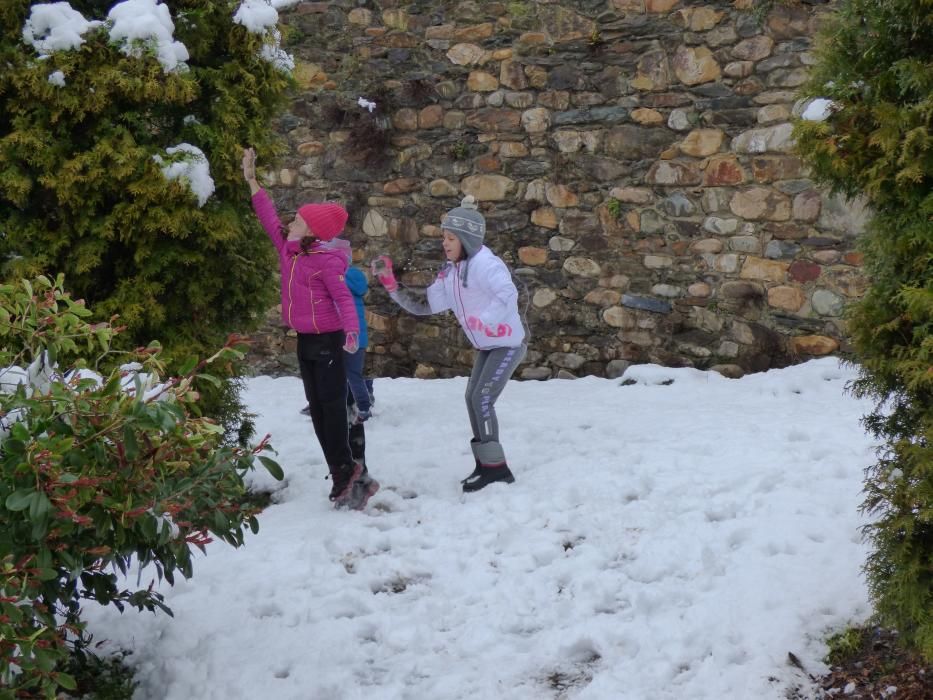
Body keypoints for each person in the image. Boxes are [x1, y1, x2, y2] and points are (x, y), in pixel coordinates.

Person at [242, 147, 377, 510]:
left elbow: (345, 299)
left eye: (299, 220)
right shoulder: (291, 252)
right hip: (305, 342)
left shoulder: (326, 261)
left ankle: (348, 472)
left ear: (313, 231)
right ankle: (343, 472)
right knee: (318, 411)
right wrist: (252, 181)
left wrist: (350, 333)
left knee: (332, 410)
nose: (292, 222)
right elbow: (268, 217)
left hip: (329, 342)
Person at [372, 195, 526, 492]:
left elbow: (507, 293)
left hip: (507, 344)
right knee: (472, 399)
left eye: (451, 237)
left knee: (481, 398)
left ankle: (497, 469)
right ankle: (485, 464)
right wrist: (392, 285)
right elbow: (424, 306)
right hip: (487, 346)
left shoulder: (486, 265)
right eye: (444, 237)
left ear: (466, 239)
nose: (445, 243)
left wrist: (487, 320)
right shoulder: (452, 273)